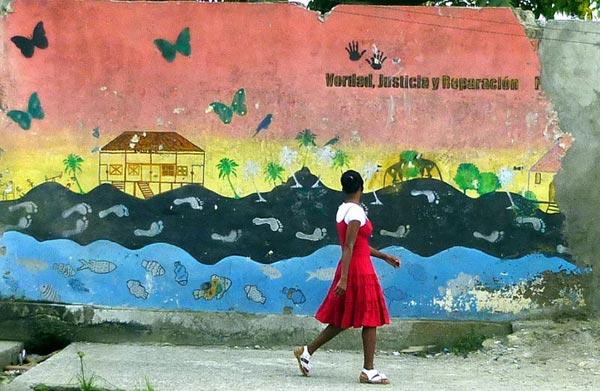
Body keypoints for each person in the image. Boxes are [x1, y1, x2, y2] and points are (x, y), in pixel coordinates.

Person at [294, 169, 401, 385]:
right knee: (370, 319)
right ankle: (368, 371)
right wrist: (344, 279)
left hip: (352, 267)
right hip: (358, 271)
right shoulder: (357, 212)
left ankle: (306, 351)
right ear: (362, 187)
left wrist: (383, 256)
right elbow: (350, 246)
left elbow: (357, 245)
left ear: (344, 189)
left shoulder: (343, 210)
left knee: (344, 318)